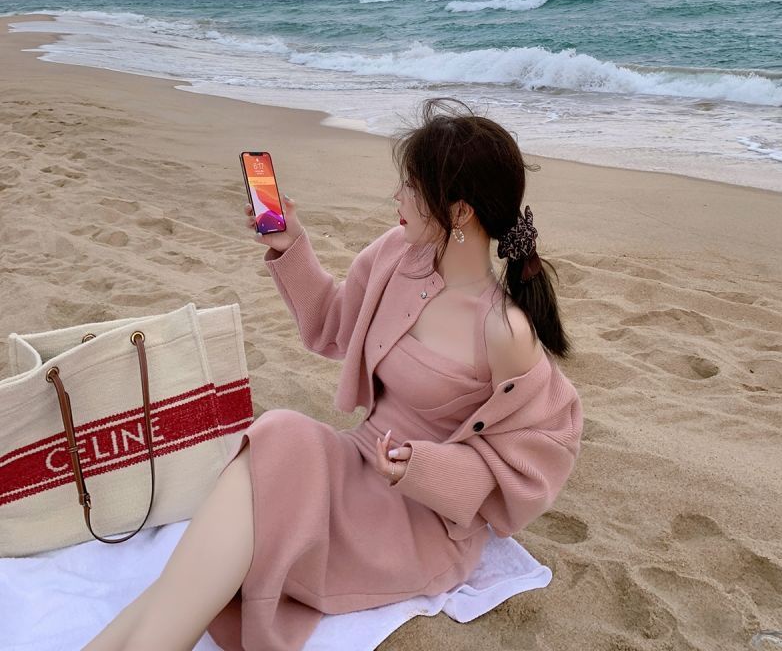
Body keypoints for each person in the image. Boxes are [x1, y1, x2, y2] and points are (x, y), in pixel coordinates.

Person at [83, 97, 583, 651]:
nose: (397, 197)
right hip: (355, 461)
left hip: (418, 521)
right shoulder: (398, 255)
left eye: (411, 186)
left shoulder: (505, 330)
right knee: (280, 434)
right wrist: (290, 245)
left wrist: (428, 467)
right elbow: (331, 325)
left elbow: (541, 451)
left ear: (459, 212)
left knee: (211, 554)